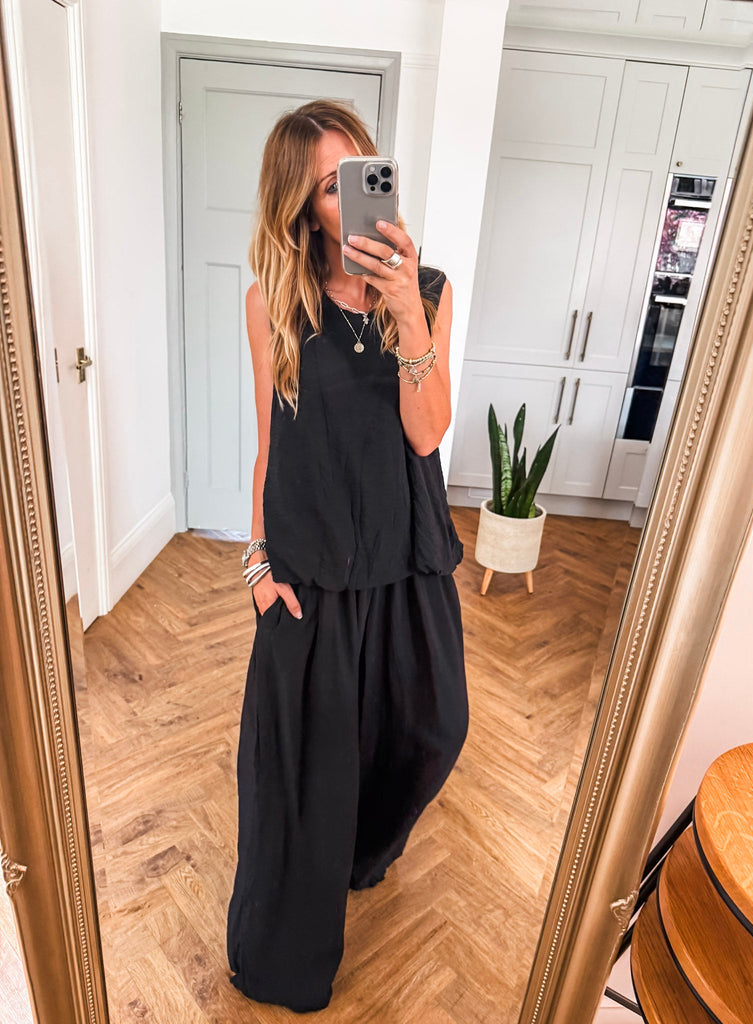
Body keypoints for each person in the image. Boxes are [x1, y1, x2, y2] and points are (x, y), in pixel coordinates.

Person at [226, 99, 469, 1013]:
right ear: (303, 209)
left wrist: (408, 311)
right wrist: (256, 566)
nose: (353, 197)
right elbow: (267, 447)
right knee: (306, 776)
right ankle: (283, 956)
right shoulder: (273, 304)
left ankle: (364, 852)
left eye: (361, 172)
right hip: (312, 572)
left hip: (407, 563)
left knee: (434, 730)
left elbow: (427, 434)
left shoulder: (429, 291)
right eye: (331, 187)